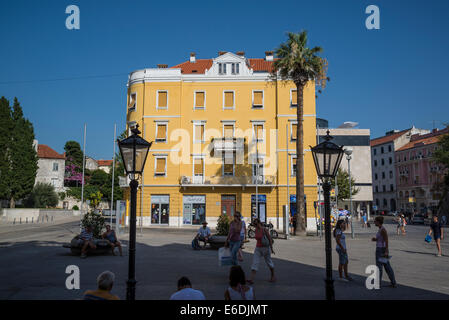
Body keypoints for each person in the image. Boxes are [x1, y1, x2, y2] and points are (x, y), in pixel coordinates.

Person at [247, 218, 276, 284]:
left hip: (266, 248)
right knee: (255, 262)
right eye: (254, 224)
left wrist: (271, 249)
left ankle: (273, 276)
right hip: (258, 248)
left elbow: (269, 239)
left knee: (269, 262)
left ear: (259, 223)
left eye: (256, 224)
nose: (256, 226)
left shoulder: (264, 229)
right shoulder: (256, 230)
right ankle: (251, 279)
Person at [372, 216, 397, 288]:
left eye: (375, 221)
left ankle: (378, 284)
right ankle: (393, 282)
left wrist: (386, 250)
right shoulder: (380, 229)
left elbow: (386, 240)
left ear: (378, 222)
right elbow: (381, 239)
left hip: (381, 250)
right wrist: (375, 239)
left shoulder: (383, 230)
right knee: (387, 267)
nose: (374, 222)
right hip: (381, 249)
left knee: (380, 267)